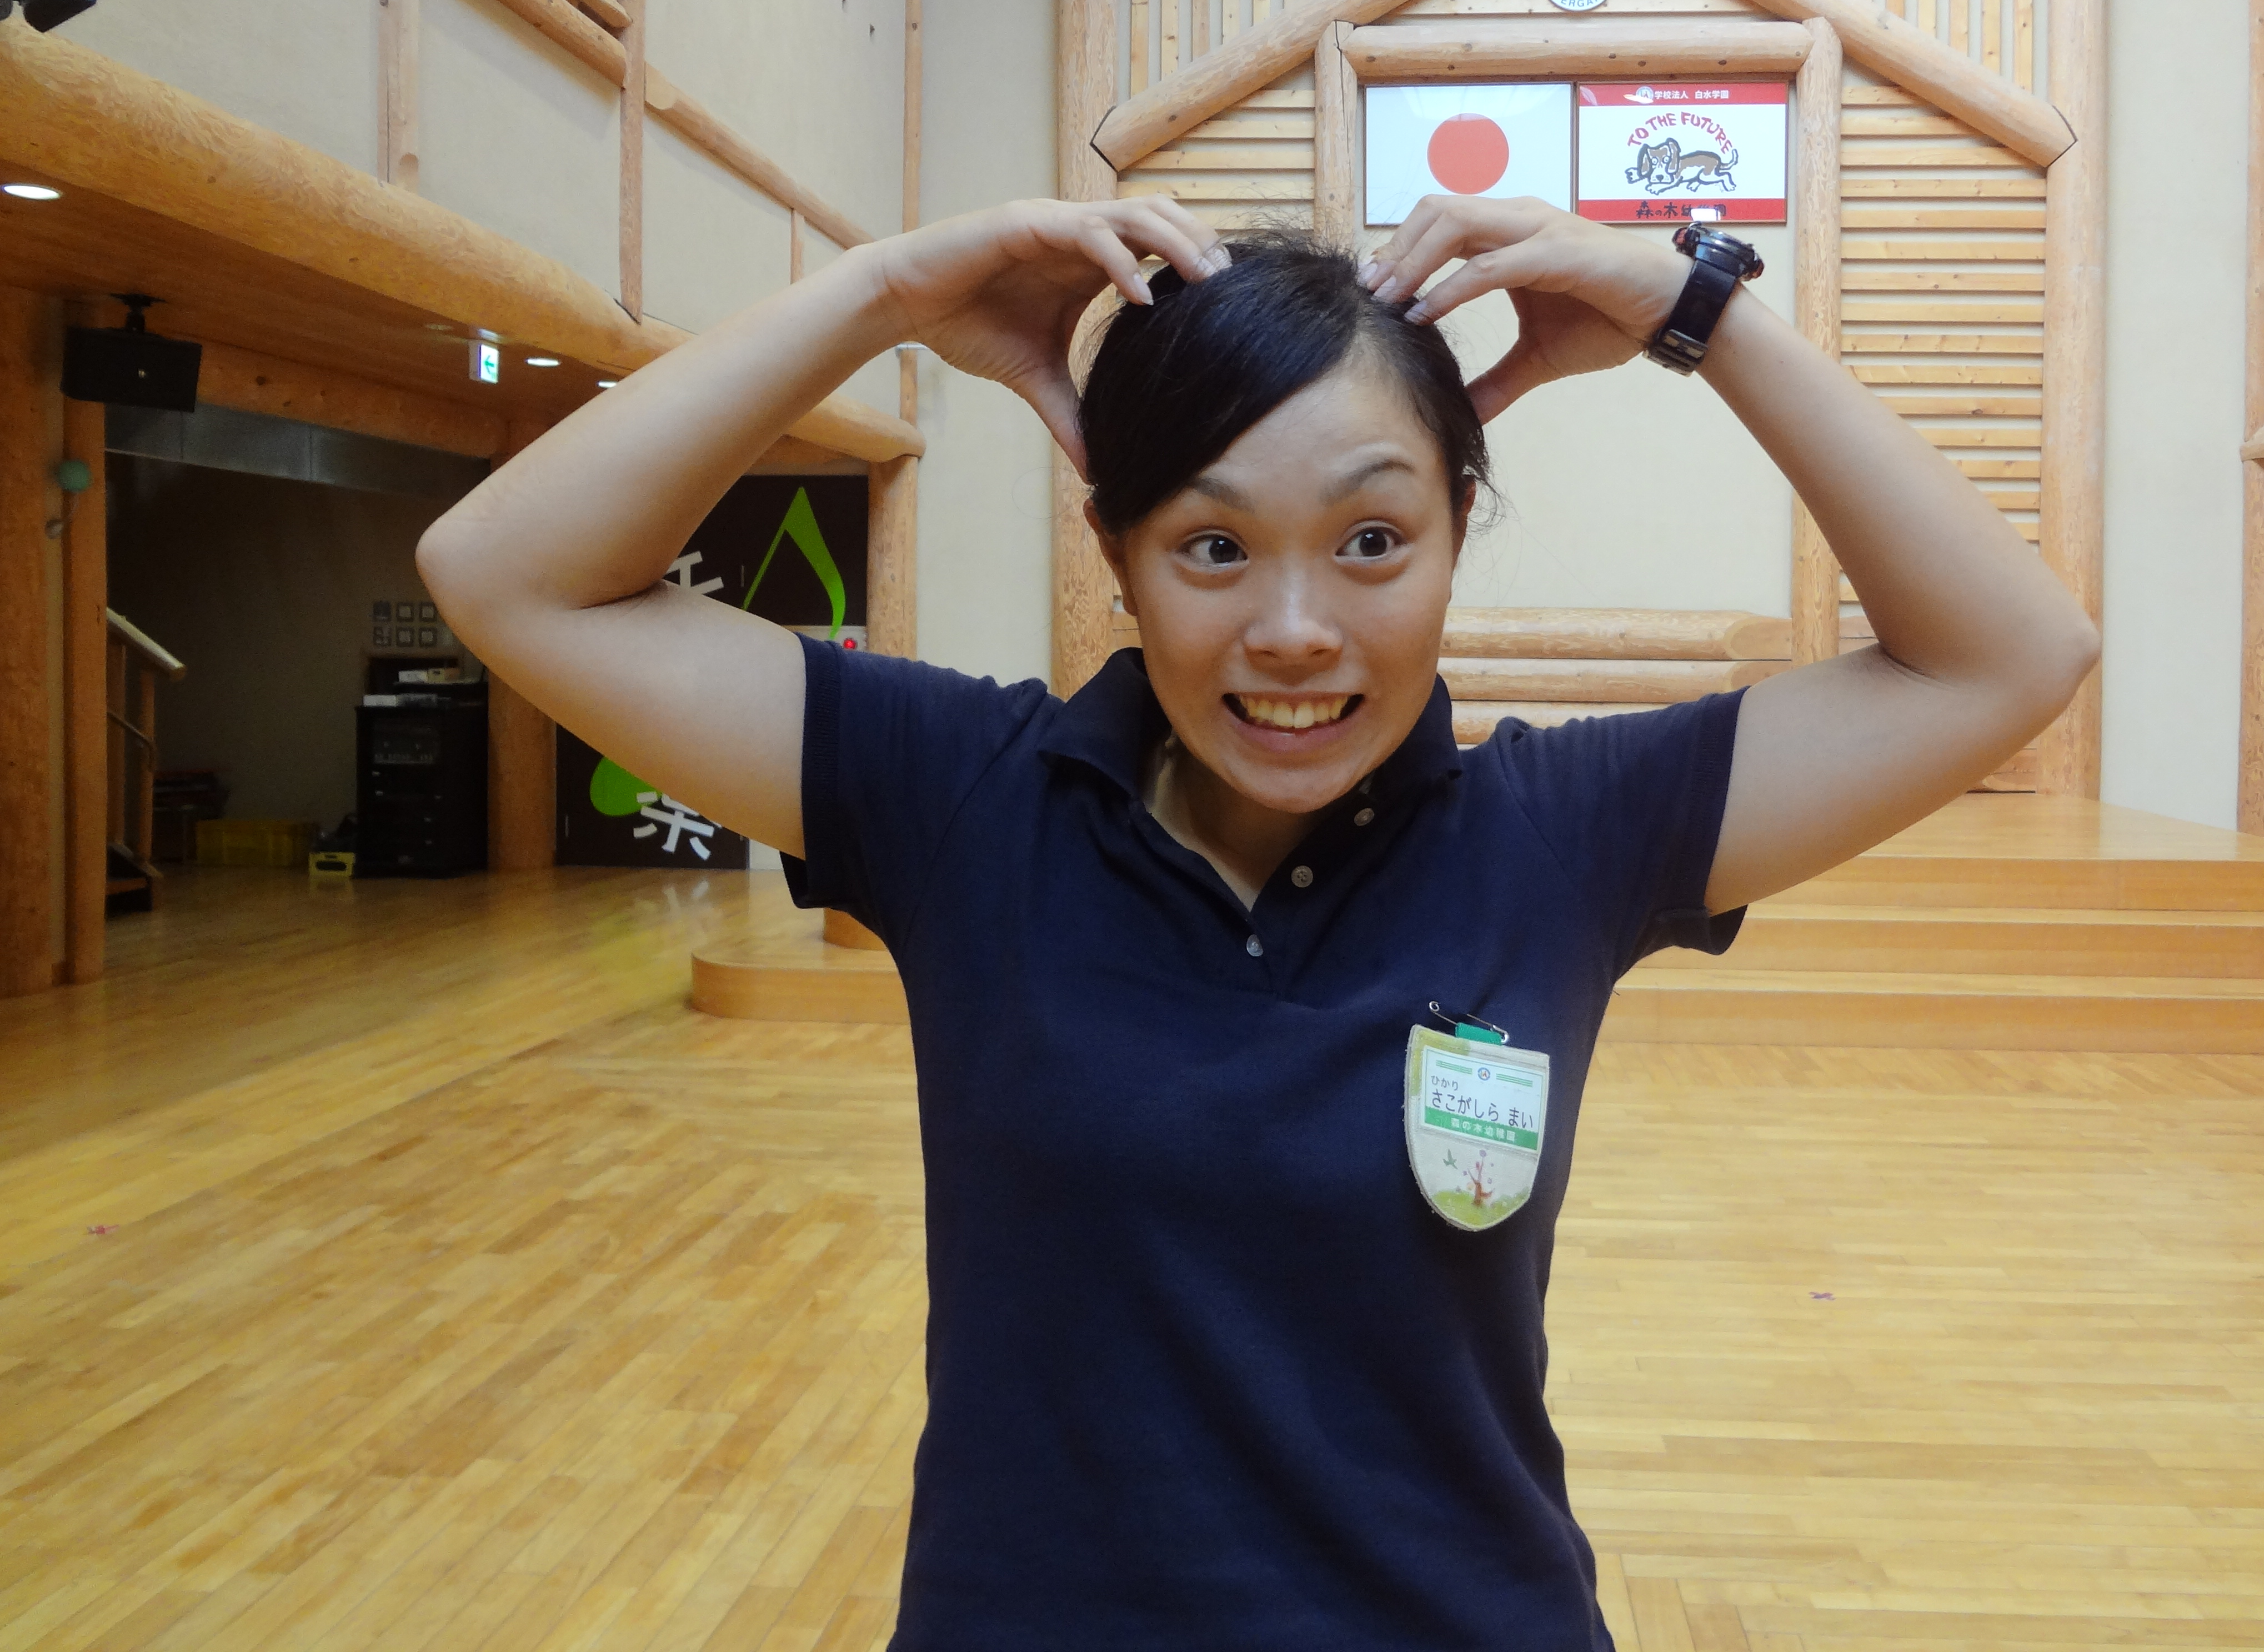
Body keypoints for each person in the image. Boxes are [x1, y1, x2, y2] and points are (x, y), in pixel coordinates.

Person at [418, 193, 2096, 1650]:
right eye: (1213, 546)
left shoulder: (1562, 837)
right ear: (1119, 552)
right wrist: (888, 293)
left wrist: (1696, 308)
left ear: (1455, 537)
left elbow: (2013, 653)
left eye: (1372, 539)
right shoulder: (968, 801)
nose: (1295, 628)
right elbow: (508, 572)